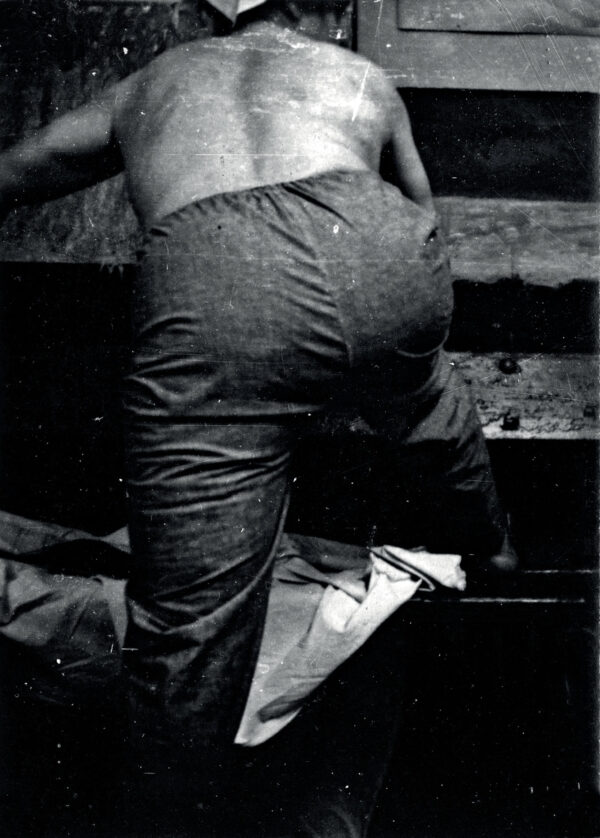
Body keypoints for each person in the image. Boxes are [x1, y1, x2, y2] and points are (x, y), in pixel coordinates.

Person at [0, 0, 516, 832]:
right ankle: (491, 543)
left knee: (194, 627)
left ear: (212, 20)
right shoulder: (358, 75)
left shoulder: (155, 80)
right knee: (424, 395)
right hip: (376, 244)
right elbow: (422, 215)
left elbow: (20, 171)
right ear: (315, 21)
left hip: (223, 274)